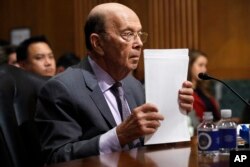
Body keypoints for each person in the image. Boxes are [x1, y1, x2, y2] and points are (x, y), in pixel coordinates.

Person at [35, 3, 194, 165]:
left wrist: (176, 113)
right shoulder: (61, 89)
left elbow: (149, 146)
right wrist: (118, 136)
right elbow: (56, 157)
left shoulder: (134, 85)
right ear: (97, 43)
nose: (139, 43)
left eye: (139, 34)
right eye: (128, 34)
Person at [188, 49, 220, 123]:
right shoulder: (186, 92)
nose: (204, 69)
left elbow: (216, 116)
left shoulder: (204, 89)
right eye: (200, 65)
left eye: (205, 65)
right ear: (189, 66)